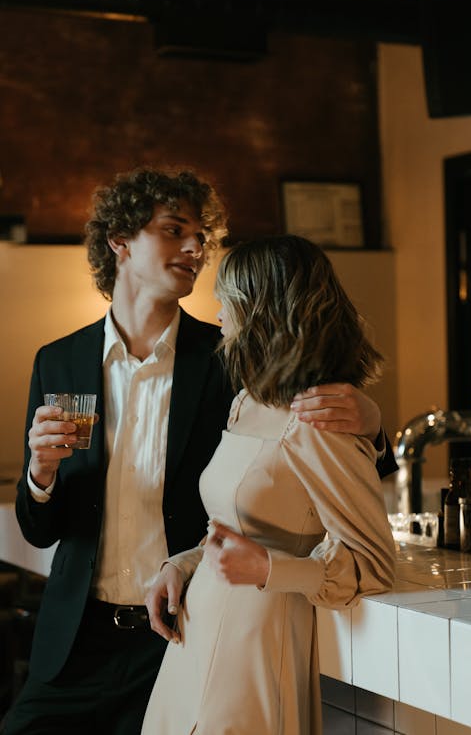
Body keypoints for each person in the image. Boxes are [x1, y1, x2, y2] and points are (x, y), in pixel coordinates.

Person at [4, 168, 395, 735]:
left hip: (180, 631)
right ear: (120, 240)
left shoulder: (232, 357)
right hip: (76, 639)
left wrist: (375, 425)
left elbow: (324, 461)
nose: (196, 249)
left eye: (201, 238)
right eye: (173, 230)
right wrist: (40, 474)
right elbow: (40, 529)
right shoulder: (57, 361)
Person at [141, 235, 397, 735]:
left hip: (257, 645)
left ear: (262, 310)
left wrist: (268, 568)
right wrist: (184, 563)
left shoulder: (318, 417)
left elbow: (373, 564)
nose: (217, 308)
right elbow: (236, 528)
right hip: (193, 635)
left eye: (228, 297)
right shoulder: (246, 402)